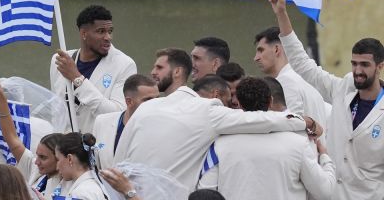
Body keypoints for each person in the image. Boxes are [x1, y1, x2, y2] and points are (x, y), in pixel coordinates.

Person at [114, 48, 320, 190]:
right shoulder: (209, 110)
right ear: (216, 96)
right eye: (229, 100)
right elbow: (261, 120)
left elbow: (118, 162)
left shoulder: (146, 108)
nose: (232, 105)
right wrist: (306, 121)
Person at [269, 0, 384, 200]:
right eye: (354, 64)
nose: (358, 71)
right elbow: (303, 65)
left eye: (365, 65)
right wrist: (282, 14)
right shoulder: (343, 89)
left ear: (380, 67)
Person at [198, 77, 335, 200]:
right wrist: (325, 158)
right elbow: (325, 191)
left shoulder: (218, 146)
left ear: (238, 103)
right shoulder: (298, 144)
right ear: (271, 101)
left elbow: (205, 190)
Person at [50, 5, 137, 133]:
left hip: (97, 147)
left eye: (110, 31)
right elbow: (56, 109)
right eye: (101, 31)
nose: (108, 37)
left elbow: (117, 114)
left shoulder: (125, 64)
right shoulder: (60, 60)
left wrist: (77, 79)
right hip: (62, 147)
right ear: (84, 34)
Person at [0, 75, 65, 200]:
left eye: (43, 157)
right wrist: (0, 96)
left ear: (60, 158)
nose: (37, 161)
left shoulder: (71, 186)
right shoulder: (35, 169)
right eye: (37, 155)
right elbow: (12, 138)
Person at [254, 26, 328, 135]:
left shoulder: (286, 82)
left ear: (276, 49)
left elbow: (293, 128)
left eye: (261, 50)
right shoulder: (302, 80)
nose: (256, 58)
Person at [92, 74, 159, 170]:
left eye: (158, 98)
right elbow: (95, 164)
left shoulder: (161, 128)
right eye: (148, 100)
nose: (155, 103)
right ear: (129, 101)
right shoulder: (102, 122)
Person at [54, 132, 109, 199]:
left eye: (58, 159)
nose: (57, 167)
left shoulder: (81, 193)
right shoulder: (93, 184)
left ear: (70, 159)